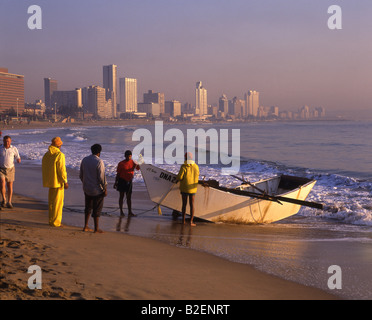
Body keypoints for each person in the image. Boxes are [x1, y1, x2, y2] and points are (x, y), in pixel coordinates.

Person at [79, 144, 107, 233]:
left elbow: (81, 175)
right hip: (97, 190)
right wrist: (105, 188)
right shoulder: (99, 161)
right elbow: (101, 177)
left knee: (88, 208)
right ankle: (96, 228)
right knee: (97, 209)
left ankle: (85, 226)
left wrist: (86, 183)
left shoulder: (85, 160)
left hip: (87, 188)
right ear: (99, 152)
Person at [42, 137, 68, 227]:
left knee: (51, 203)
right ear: (59, 145)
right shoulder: (59, 155)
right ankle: (56, 222)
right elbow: (61, 169)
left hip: (50, 182)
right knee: (58, 203)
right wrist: (65, 181)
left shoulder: (47, 154)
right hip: (58, 182)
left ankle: (51, 220)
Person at [176, 152, 199, 226]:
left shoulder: (184, 166)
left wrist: (177, 179)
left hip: (185, 188)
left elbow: (180, 177)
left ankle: (183, 221)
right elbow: (197, 176)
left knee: (184, 204)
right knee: (192, 205)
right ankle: (191, 222)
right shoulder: (196, 166)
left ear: (185, 158)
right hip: (193, 188)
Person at [114, 150, 139, 217]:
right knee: (121, 196)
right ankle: (121, 211)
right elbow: (118, 174)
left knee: (129, 198)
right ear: (125, 156)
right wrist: (115, 182)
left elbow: (138, 168)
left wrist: (140, 162)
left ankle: (130, 212)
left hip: (129, 181)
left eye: (130, 156)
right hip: (121, 181)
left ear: (131, 156)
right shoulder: (121, 163)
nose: (128, 157)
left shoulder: (133, 162)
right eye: (127, 156)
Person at [0, 135, 21, 208]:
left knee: (9, 185)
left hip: (11, 169)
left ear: (11, 141)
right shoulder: (0, 148)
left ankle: (9, 201)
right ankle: (4, 199)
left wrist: (18, 160)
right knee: (2, 183)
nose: (7, 143)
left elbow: (17, 157)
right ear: (3, 141)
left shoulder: (14, 149)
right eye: (5, 141)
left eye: (8, 141)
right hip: (1, 169)